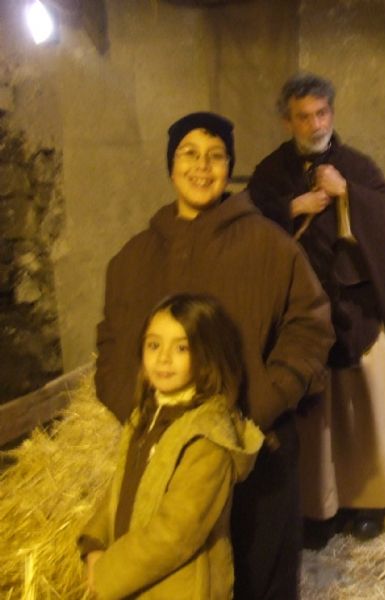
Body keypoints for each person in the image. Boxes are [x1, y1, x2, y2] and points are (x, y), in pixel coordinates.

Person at [94, 112, 334, 598]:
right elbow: (113, 342)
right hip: (165, 459)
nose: (202, 167)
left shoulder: (270, 246)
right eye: (189, 154)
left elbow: (310, 327)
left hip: (256, 453)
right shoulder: (133, 258)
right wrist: (136, 412)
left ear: (229, 167)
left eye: (216, 156)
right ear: (171, 165)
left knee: (257, 577)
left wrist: (263, 402)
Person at [247, 72, 385, 542]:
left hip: (355, 310)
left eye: (321, 113)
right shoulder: (270, 174)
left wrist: (349, 195)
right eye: (303, 117)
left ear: (332, 114)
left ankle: (369, 502)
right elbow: (247, 226)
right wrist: (293, 207)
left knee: (367, 408)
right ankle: (318, 509)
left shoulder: (356, 166)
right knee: (312, 417)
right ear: (288, 122)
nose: (315, 124)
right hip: (297, 316)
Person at [80, 294, 264, 599]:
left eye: (181, 348)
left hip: (179, 589)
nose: (163, 358)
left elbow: (176, 533)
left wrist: (108, 572)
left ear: (207, 355)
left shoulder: (207, 439)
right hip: (134, 579)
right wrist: (95, 542)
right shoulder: (145, 418)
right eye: (154, 345)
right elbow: (121, 485)